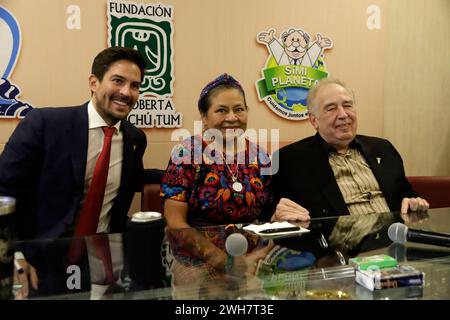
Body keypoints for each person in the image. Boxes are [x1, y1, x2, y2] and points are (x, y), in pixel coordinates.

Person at [0, 46, 162, 297]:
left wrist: (185, 174)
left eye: (135, 85)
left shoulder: (134, 138)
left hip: (102, 263)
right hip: (37, 262)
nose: (126, 92)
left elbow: (132, 178)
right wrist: (12, 256)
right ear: (94, 82)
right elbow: (3, 191)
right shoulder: (44, 125)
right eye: (118, 81)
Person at [271, 77, 429, 222]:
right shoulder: (290, 160)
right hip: (340, 249)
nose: (343, 114)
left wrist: (415, 202)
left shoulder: (383, 148)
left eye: (347, 105)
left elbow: (407, 195)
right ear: (314, 120)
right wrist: (276, 216)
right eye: (331, 108)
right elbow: (272, 214)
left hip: (394, 242)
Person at [161, 73, 273, 229]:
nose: (232, 117)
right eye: (222, 110)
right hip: (199, 246)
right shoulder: (187, 152)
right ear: (204, 117)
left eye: (239, 109)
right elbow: (175, 222)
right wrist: (213, 254)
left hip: (253, 247)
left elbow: (269, 215)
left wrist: (261, 252)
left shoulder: (260, 155)